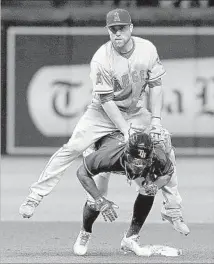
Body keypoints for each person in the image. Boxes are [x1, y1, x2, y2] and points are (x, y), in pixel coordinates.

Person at [19, 9, 189, 237]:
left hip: (135, 111)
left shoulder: (147, 49)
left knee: (164, 143)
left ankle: (172, 209)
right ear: (108, 31)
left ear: (131, 28)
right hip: (101, 113)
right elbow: (107, 101)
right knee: (72, 148)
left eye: (121, 28)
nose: (117, 33)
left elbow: (156, 85)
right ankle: (35, 196)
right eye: (113, 29)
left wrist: (156, 121)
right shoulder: (102, 58)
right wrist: (126, 131)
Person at [73, 131, 176, 256]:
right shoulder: (107, 157)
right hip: (99, 146)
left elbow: (168, 172)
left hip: (124, 150)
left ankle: (130, 238)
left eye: (144, 162)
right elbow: (82, 172)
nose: (139, 166)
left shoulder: (157, 155)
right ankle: (85, 232)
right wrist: (100, 200)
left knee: (148, 190)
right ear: (127, 155)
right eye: (135, 161)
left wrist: (156, 185)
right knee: (95, 198)